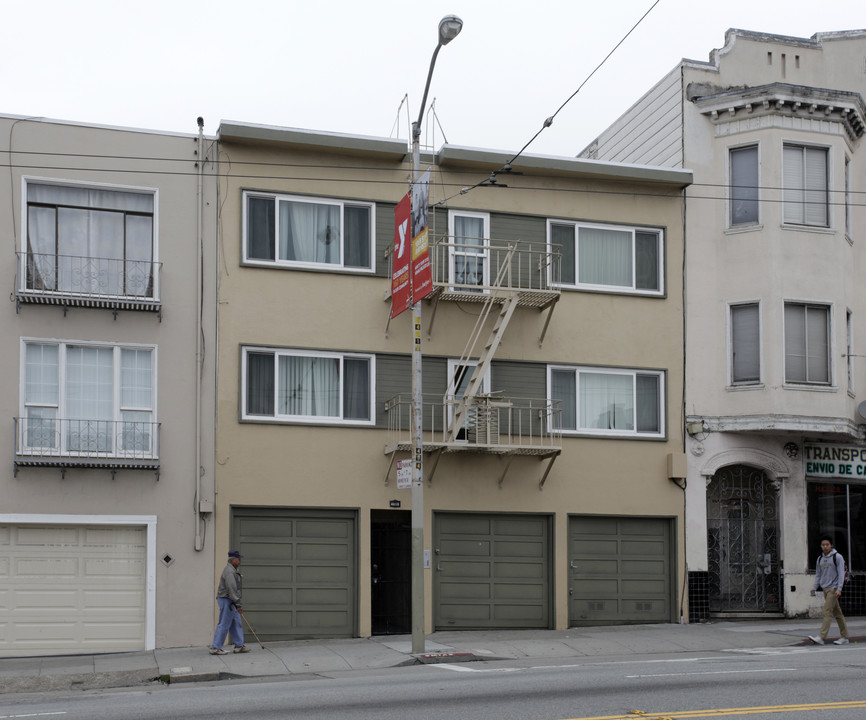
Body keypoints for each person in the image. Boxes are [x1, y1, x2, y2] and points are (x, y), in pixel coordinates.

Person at [808, 535, 850, 646]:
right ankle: (845, 637)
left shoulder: (837, 557)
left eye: (827, 544)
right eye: (823, 545)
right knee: (838, 613)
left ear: (831, 545)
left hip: (833, 589)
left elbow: (841, 574)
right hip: (825, 589)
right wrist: (814, 587)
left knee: (827, 612)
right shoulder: (820, 559)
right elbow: (818, 575)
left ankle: (821, 637)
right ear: (821, 546)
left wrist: (839, 588)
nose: (825, 547)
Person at [210, 549, 250, 654]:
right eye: (238, 559)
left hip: (230, 601)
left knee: (236, 623)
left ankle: (239, 645)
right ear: (232, 560)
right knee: (224, 623)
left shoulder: (232, 570)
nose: (240, 562)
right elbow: (231, 589)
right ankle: (216, 648)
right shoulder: (229, 572)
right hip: (227, 601)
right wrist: (238, 604)